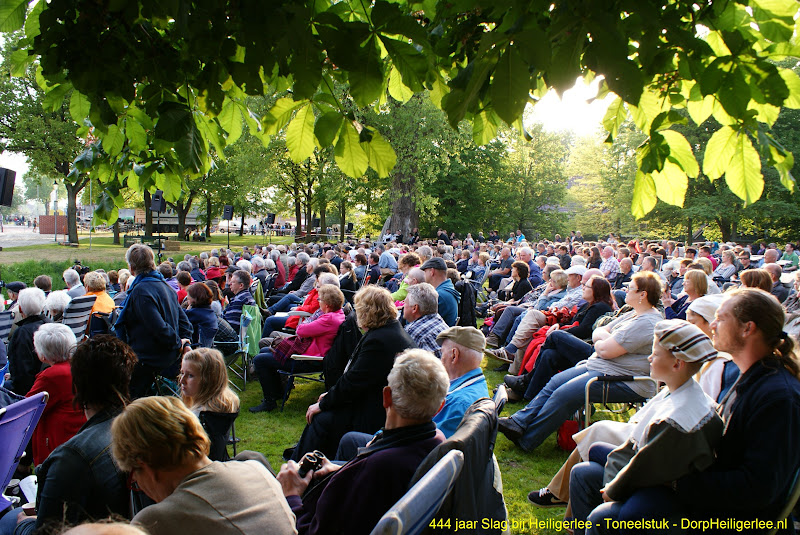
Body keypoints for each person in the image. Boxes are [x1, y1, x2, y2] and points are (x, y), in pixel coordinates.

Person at [632, 289, 800, 531]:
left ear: (747, 328)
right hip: (710, 498)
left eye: (721, 318)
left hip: (732, 519)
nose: (712, 324)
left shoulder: (778, 397)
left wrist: (675, 481)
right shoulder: (751, 378)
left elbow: (757, 488)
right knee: (589, 474)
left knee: (609, 515)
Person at [569, 320, 723, 534]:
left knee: (600, 516)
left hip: (666, 488)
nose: (650, 359)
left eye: (655, 354)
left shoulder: (678, 417)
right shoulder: (676, 391)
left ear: (677, 363)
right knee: (582, 471)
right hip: (655, 475)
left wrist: (613, 490)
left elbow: (646, 465)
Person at [277, 349, 448, 535]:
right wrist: (339, 469)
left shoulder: (378, 469)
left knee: (253, 461)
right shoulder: (436, 441)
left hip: (298, 521)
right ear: (440, 407)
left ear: (386, 397)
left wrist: (291, 495)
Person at [497, 272, 663, 452]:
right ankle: (518, 423)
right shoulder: (634, 314)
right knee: (555, 381)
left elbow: (606, 350)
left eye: (630, 288)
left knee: (565, 394)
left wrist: (603, 339)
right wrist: (604, 338)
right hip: (602, 367)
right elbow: (600, 330)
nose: (625, 290)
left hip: (626, 379)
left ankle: (527, 440)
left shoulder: (648, 322)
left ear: (643, 294)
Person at [1, 335, 136, 535]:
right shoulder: (137, 427)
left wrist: (23, 524)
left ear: (78, 386)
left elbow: (46, 531)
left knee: (10, 519)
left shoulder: (72, 458)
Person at [112, 397, 296, 535]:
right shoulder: (255, 470)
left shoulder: (154, 521)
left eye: (134, 479)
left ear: (144, 465)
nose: (140, 486)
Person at [288, 286, 415, 461]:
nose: (356, 314)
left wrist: (324, 403)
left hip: (376, 412)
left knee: (321, 418)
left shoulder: (379, 340)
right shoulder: (387, 331)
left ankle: (298, 467)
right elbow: (355, 378)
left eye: (358, 310)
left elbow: (353, 382)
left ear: (367, 312)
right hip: (375, 403)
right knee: (324, 415)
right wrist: (328, 397)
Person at [504, 276, 615, 401]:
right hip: (580, 346)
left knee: (555, 336)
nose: (582, 288)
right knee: (549, 354)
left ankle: (526, 380)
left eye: (586, 286)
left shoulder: (600, 307)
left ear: (597, 290)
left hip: (588, 352)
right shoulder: (590, 305)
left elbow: (583, 331)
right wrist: (559, 325)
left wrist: (561, 331)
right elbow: (575, 323)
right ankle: (528, 394)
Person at [113, 243, 193, 398]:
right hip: (166, 354)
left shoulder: (141, 291)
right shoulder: (165, 286)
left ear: (131, 268)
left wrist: (180, 344)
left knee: (123, 392)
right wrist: (184, 343)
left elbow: (159, 328)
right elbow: (185, 323)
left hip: (150, 359)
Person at [250, 285, 346, 413]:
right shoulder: (337, 315)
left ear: (327, 304)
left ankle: (270, 401)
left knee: (260, 360)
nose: (318, 302)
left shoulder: (328, 319)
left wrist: (306, 322)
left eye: (320, 300)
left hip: (308, 360)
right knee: (264, 352)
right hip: (310, 354)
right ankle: (277, 393)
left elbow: (300, 329)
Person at [24, 323, 85, 466]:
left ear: (42, 355)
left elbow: (28, 408)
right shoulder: (79, 365)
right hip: (78, 436)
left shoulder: (52, 376)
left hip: (58, 446)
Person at [432, 326, 489, 437]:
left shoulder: (459, 404)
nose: (440, 359)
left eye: (442, 353)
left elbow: (431, 446)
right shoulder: (476, 384)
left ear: (454, 355)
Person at [6, 288, 50, 396]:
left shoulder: (22, 333)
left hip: (30, 393)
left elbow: (21, 374)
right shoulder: (49, 324)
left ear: (20, 309)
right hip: (46, 386)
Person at [179, 348, 239, 416]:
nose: (182, 381)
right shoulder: (229, 403)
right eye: (182, 373)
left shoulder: (196, 417)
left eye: (190, 375)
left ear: (208, 379)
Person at [403, 283, 449, 358]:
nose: (402, 305)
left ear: (414, 308)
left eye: (405, 302)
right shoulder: (438, 320)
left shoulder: (413, 331)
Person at [420, 257, 460, 326]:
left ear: (432, 272)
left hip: (438, 335)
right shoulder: (446, 289)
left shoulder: (440, 295)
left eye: (425, 272)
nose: (424, 275)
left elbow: (421, 322)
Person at [184, 282, 219, 348]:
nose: (187, 297)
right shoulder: (208, 312)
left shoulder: (196, 314)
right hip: (206, 349)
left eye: (189, 296)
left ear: (195, 297)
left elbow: (180, 315)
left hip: (198, 351)